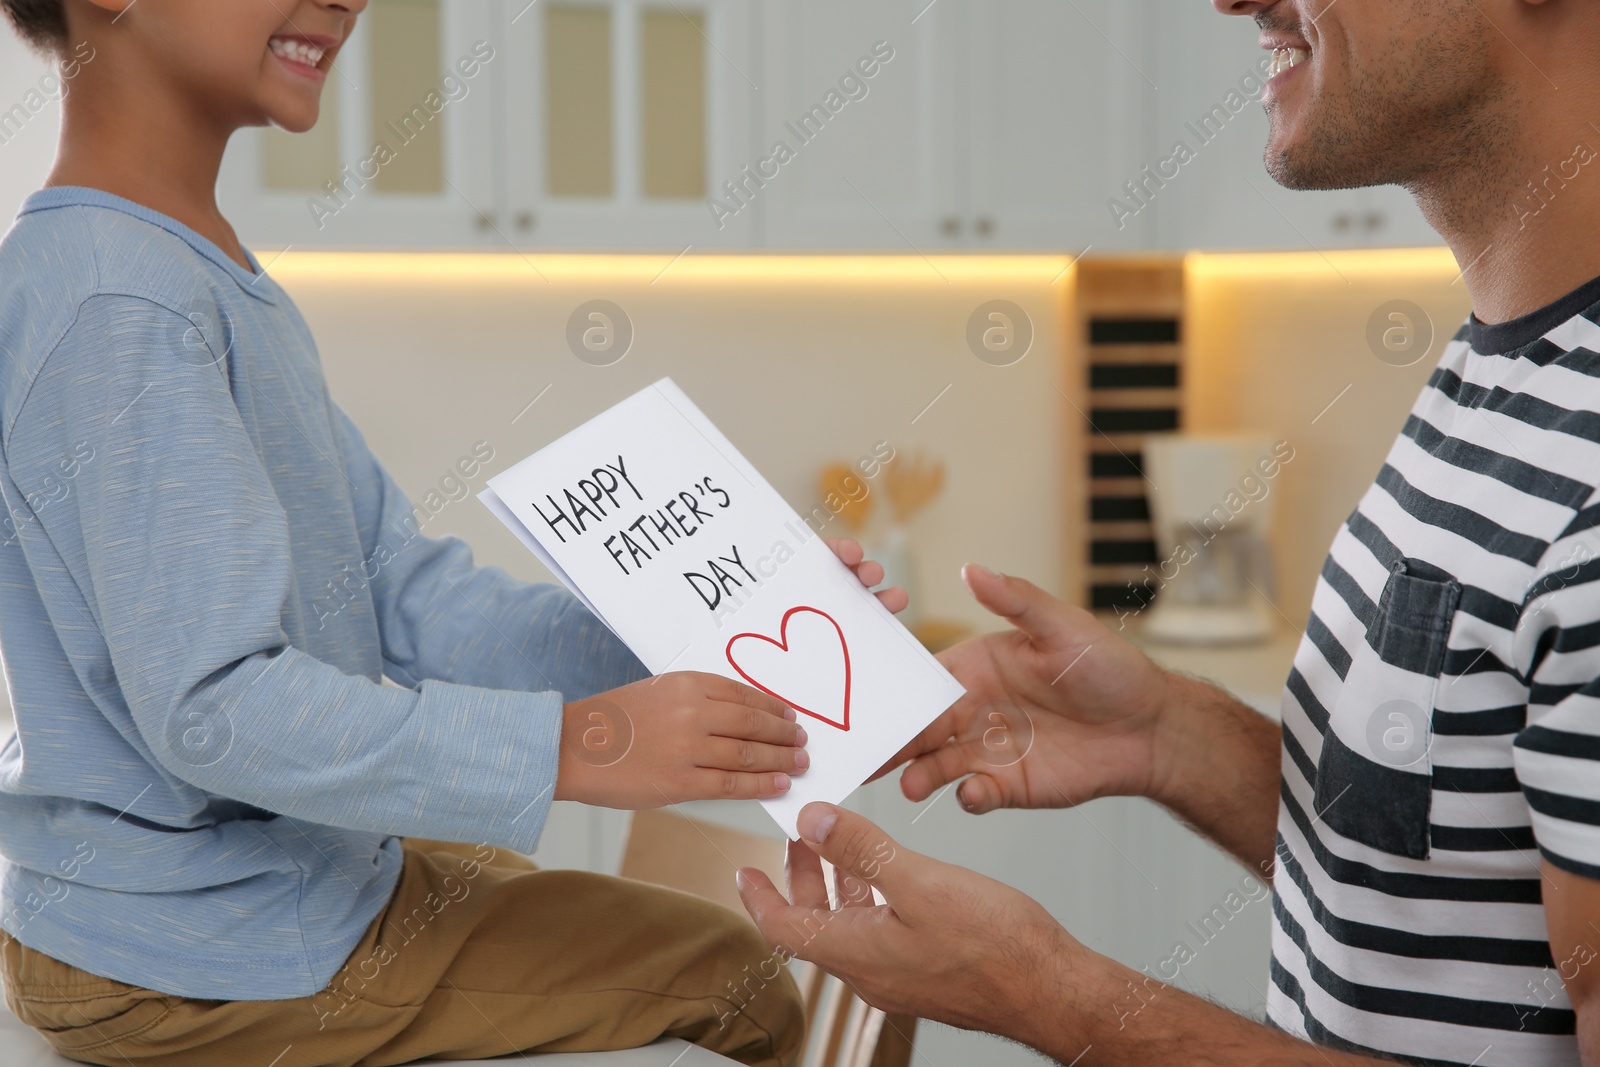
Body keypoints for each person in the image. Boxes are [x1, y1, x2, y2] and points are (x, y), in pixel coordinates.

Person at [0, 2, 905, 1065]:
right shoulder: (127, 302)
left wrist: (697, 624)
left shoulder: (193, 272)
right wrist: (579, 744)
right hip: (189, 953)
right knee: (734, 973)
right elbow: (214, 709)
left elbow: (407, 593)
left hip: (221, 909)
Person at [739, 1, 1600, 1065]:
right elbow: (1451, 908)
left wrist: (1049, 994)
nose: (1234, 0)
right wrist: (1172, 737)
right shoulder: (1513, 365)